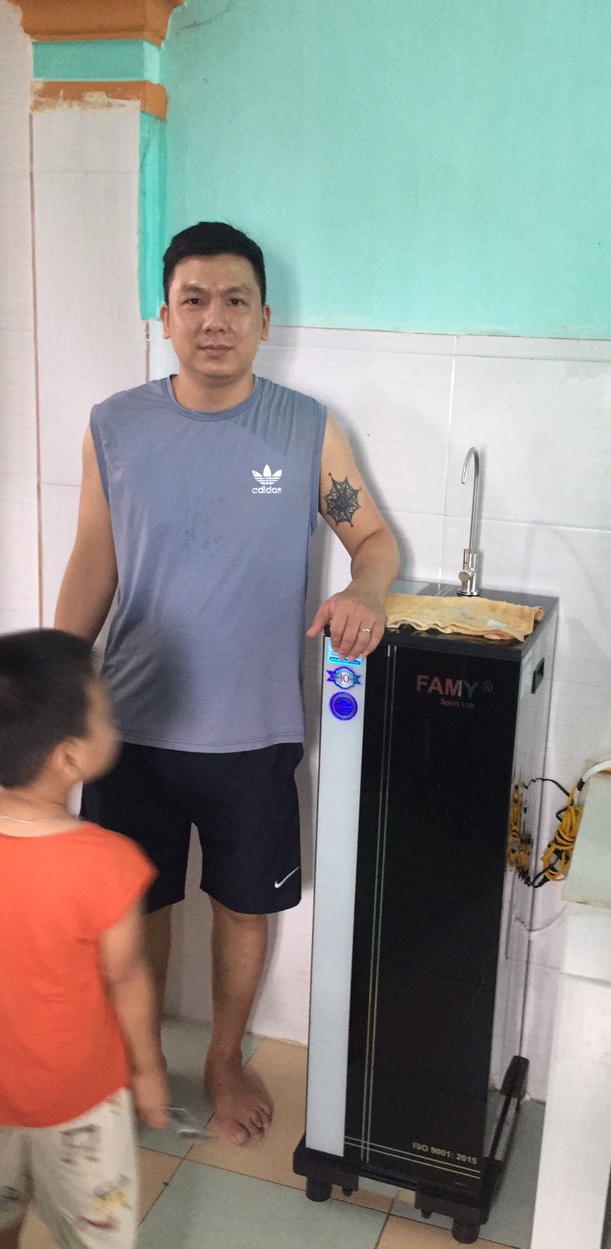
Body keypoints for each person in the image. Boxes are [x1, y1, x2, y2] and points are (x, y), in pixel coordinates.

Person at [54, 221, 400, 1147]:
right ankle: (141, 1059)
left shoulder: (305, 427)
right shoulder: (115, 426)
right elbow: (94, 561)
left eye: (235, 301)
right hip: (132, 723)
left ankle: (223, 1057)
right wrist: (52, 687)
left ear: (264, 319)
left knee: (245, 906)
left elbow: (371, 539)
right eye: (195, 301)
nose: (215, 319)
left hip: (256, 726)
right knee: (139, 903)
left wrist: (366, 591)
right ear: (164, 317)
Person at [0, 629, 168, 1249]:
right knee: (97, 1235)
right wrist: (149, 1070)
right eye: (107, 714)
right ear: (69, 757)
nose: (114, 722)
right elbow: (127, 978)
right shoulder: (108, 864)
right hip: (81, 1106)